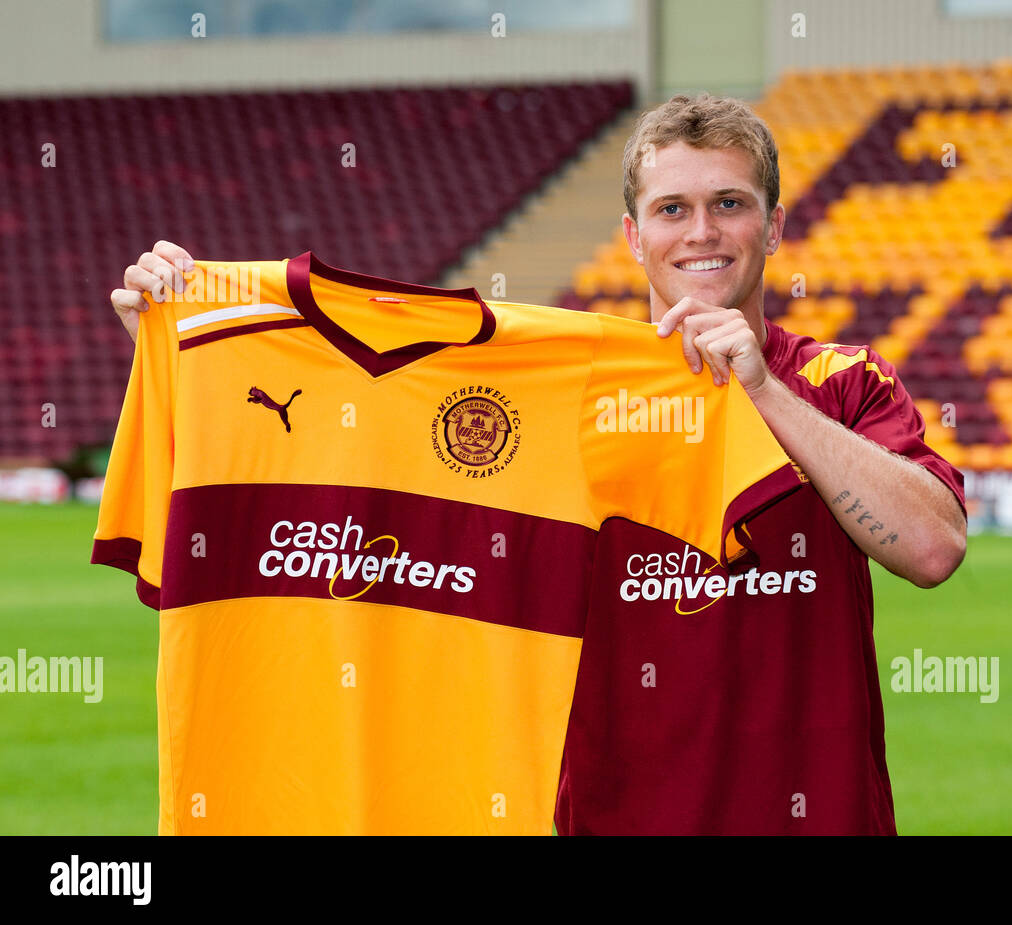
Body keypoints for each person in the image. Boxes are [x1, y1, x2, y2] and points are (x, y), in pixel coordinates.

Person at [109, 93, 967, 835]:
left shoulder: (842, 381)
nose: (701, 232)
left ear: (774, 225)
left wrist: (765, 396)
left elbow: (933, 549)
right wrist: (198, 353)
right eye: (672, 209)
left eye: (730, 203)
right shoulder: (557, 393)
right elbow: (363, 461)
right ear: (632, 237)